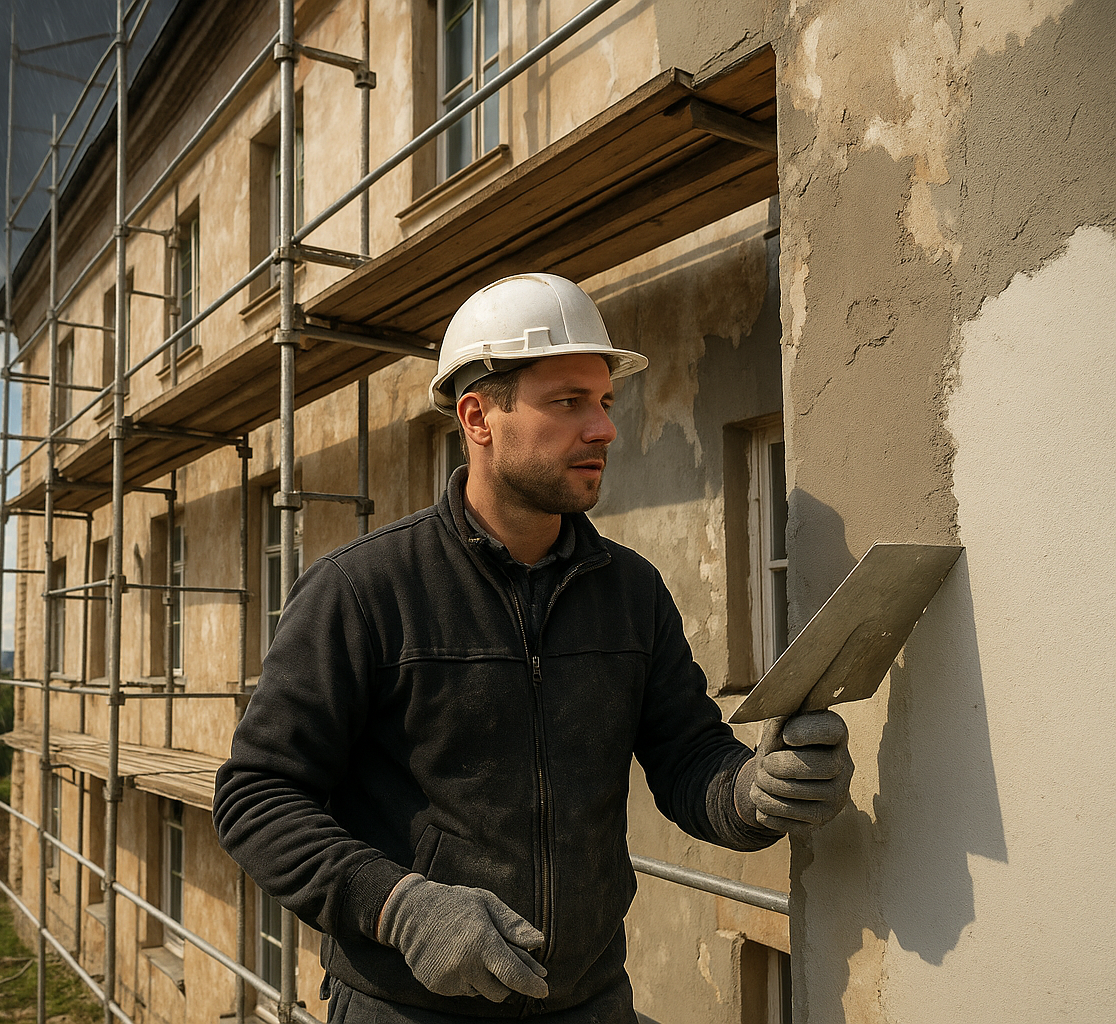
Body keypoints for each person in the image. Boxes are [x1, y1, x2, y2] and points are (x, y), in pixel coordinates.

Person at [213, 274, 853, 1024]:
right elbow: (256, 796)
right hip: (408, 1010)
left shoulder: (631, 593)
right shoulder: (364, 591)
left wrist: (755, 793)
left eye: (606, 401)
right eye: (568, 402)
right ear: (479, 417)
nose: (604, 429)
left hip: (586, 1002)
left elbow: (688, 759)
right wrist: (399, 906)